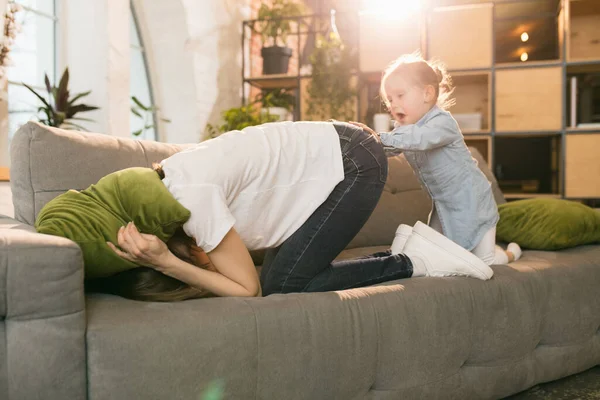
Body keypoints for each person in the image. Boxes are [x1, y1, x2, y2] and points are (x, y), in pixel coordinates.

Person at [107, 120, 494, 301]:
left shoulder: (193, 205)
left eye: (199, 268)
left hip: (352, 162)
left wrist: (166, 265)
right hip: (344, 147)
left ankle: (415, 260)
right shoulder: (174, 187)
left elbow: (248, 290)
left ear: (187, 249)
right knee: (285, 276)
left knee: (283, 284)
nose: (210, 268)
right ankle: (408, 254)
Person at [350, 53, 522, 265]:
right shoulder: (404, 129)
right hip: (444, 206)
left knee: (482, 261)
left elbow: (417, 139)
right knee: (436, 251)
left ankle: (510, 254)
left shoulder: (441, 123)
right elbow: (389, 147)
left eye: (400, 95)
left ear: (427, 94)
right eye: (390, 100)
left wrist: (374, 139)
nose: (393, 105)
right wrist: (361, 142)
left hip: (473, 201)